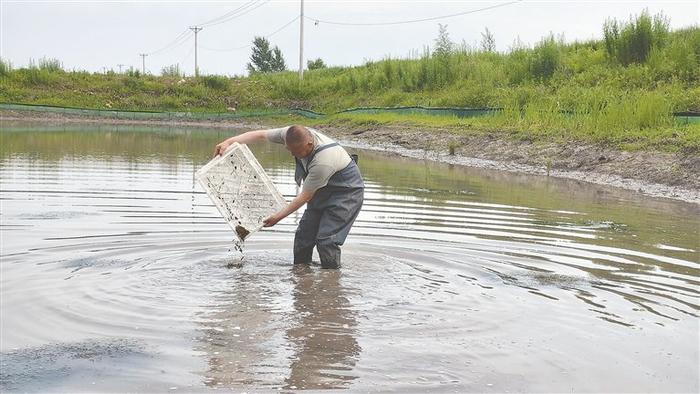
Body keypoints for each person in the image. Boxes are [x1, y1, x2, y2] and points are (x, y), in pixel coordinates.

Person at [213, 125, 364, 269]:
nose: (293, 155)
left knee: (326, 240)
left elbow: (304, 196)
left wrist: (277, 217)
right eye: (290, 150)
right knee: (303, 238)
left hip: (346, 193)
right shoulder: (289, 134)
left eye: (297, 151)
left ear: (310, 144)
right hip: (321, 190)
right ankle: (302, 275)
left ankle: (331, 281)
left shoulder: (323, 162)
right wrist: (228, 142)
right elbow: (259, 135)